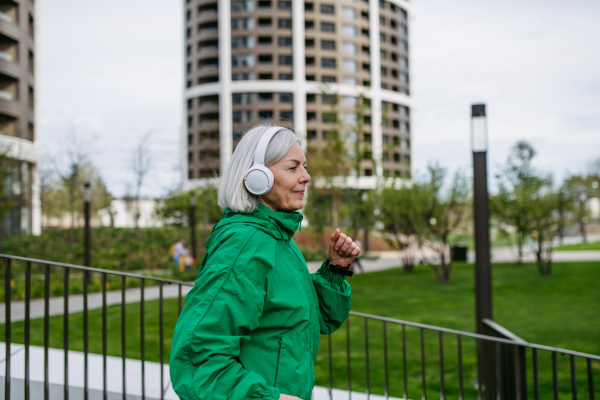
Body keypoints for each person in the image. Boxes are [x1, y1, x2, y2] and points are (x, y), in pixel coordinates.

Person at [170, 123, 360, 400]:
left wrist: (335, 269)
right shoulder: (245, 246)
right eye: (292, 167)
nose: (306, 177)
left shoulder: (278, 239)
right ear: (257, 177)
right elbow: (198, 359)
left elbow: (312, 320)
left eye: (305, 166)